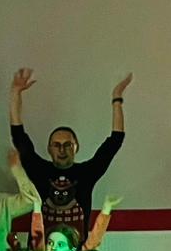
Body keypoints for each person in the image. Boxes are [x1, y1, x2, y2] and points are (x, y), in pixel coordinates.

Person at [9, 68, 130, 238]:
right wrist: (15, 93)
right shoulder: (38, 170)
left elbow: (115, 140)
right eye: (56, 145)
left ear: (76, 147)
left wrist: (117, 98)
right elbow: (18, 134)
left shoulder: (87, 173)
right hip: (40, 250)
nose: (62, 150)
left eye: (67, 145)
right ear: (49, 148)